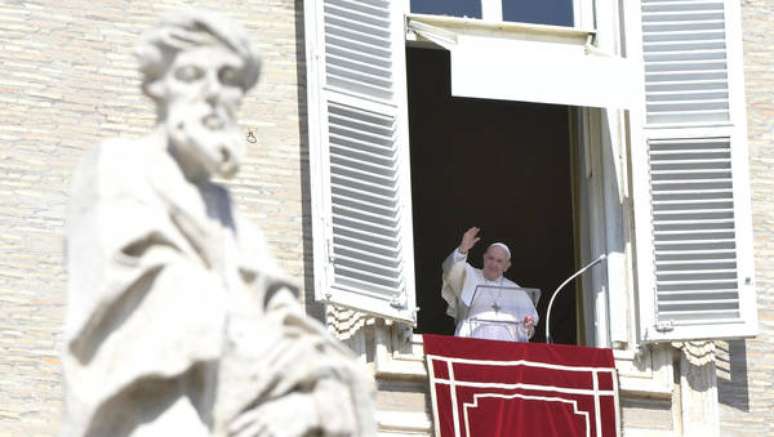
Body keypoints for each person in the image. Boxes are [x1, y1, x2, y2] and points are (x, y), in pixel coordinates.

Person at [62, 10, 374, 437]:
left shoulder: (231, 216)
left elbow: (287, 323)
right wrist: (264, 356)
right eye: (191, 75)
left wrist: (318, 393)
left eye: (227, 79)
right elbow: (147, 304)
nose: (211, 93)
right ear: (158, 86)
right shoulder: (118, 167)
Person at [441, 227, 538, 342]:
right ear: (484, 258)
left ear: (507, 266)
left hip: (506, 344)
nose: (493, 264)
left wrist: (527, 327)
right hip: (472, 338)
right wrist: (463, 249)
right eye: (491, 258)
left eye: (499, 261)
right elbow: (450, 271)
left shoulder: (516, 290)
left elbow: (528, 329)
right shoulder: (468, 274)